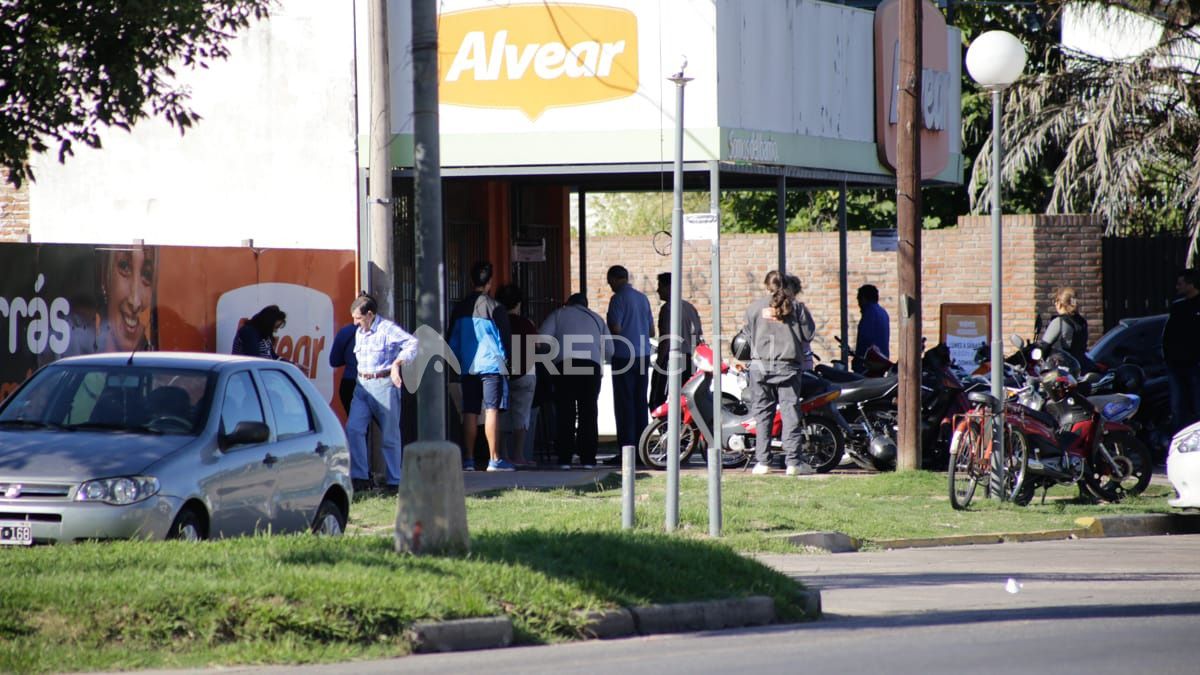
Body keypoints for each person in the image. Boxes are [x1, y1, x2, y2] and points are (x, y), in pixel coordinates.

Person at [741, 270, 817, 476]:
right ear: (787, 285)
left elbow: (746, 336)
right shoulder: (797, 307)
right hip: (788, 367)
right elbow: (809, 334)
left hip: (760, 367)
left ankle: (763, 462)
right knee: (790, 412)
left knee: (762, 414)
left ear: (767, 286)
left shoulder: (755, 308)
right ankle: (793, 462)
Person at [346, 292, 418, 494]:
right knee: (353, 429)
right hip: (362, 386)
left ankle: (395, 481)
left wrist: (397, 363)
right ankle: (360, 477)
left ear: (370, 315)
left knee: (389, 435)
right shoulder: (360, 331)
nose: (355, 323)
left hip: (384, 384)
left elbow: (412, 343)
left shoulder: (387, 329)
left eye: (358, 318)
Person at [448, 261, 514, 472]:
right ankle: (494, 459)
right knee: (492, 409)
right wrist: (508, 364)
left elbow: (452, 342)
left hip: (468, 367)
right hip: (492, 367)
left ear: (470, 281)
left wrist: (459, 362)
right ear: (490, 283)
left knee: (470, 411)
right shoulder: (496, 307)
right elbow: (505, 341)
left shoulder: (459, 308)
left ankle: (468, 459)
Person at [540, 293, 612, 469]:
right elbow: (610, 350)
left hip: (566, 365)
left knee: (566, 411)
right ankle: (588, 459)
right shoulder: (597, 319)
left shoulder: (558, 314)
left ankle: (565, 458)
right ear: (586, 305)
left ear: (569, 303)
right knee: (589, 412)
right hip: (591, 367)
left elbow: (541, 339)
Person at [605, 265, 654, 454]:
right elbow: (651, 331)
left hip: (624, 356)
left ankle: (627, 451)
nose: (609, 285)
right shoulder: (643, 298)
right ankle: (642, 450)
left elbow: (616, 329)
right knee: (640, 401)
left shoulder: (617, 299)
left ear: (616, 279)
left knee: (624, 403)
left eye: (610, 281)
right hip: (643, 355)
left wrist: (609, 322)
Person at [496, 283, 538, 467]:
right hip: (525, 373)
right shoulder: (527, 324)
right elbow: (535, 348)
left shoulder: (496, 323)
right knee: (522, 415)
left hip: (502, 373)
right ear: (519, 303)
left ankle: (502, 455)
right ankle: (519, 455)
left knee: (501, 414)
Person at [649, 272, 704, 410]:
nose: (657, 290)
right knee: (684, 400)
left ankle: (666, 430)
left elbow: (666, 339)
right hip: (690, 360)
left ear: (669, 287)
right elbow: (699, 337)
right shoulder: (690, 308)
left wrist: (659, 364)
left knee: (660, 400)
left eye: (660, 286)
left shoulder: (667, 309)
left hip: (673, 360)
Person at [97, 247, 156, 353]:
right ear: (105, 274)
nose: (135, 302)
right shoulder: (79, 355)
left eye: (147, 275)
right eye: (125, 267)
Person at [1163, 268, 1200, 433]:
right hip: (1177, 365)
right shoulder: (1178, 307)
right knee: (1178, 407)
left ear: (1191, 284)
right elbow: (1169, 335)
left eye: (1181, 283)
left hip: (1196, 364)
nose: (1177, 287)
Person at [1039, 287, 1095, 373]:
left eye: (1055, 302)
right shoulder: (1082, 321)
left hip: (1064, 372)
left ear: (1059, 303)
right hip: (1082, 368)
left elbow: (1044, 347)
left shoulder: (1059, 322)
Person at [852, 284, 889, 373]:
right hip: (881, 360)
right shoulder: (883, 312)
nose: (858, 304)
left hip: (869, 364)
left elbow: (865, 340)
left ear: (864, 298)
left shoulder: (869, 313)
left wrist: (857, 360)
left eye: (859, 300)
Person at [328, 322, 358, 415]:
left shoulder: (347, 331)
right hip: (378, 383)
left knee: (356, 425)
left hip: (350, 383)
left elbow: (334, 361)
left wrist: (350, 359)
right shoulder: (383, 330)